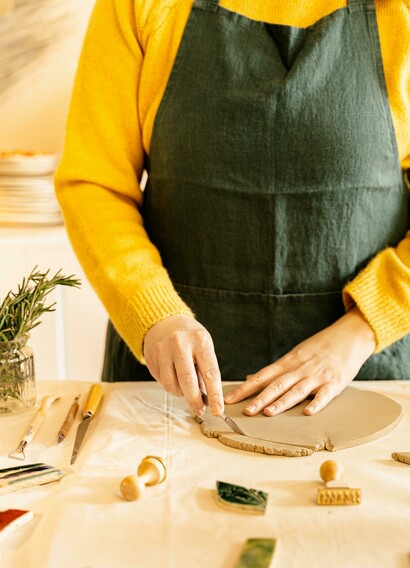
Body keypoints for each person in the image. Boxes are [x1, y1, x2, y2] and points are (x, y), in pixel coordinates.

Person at [55, 0, 410, 420]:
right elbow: (94, 184)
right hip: (171, 385)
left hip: (363, 373)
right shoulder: (138, 6)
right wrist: (153, 313)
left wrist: (362, 327)